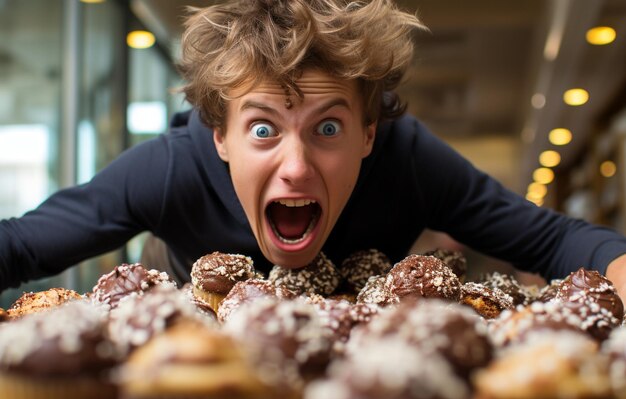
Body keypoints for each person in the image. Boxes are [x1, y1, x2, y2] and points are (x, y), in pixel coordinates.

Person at [2, 0, 626, 300]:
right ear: (219, 135)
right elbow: (24, 246)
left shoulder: (409, 161)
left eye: (328, 129)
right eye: (264, 129)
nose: (296, 167)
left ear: (368, 133)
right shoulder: (171, 167)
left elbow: (557, 242)